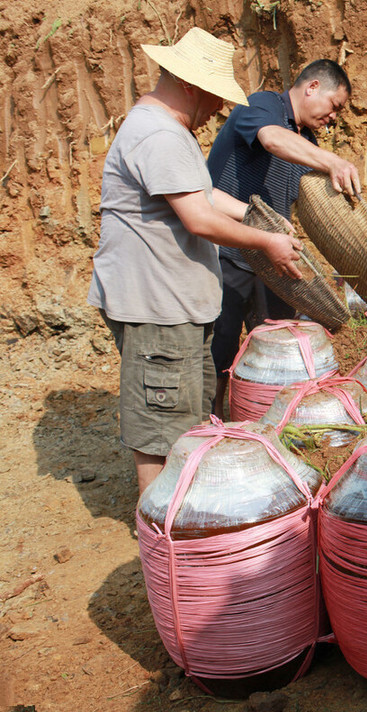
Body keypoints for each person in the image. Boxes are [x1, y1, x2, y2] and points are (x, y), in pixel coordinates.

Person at [87, 27, 303, 494]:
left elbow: (204, 195)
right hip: (156, 308)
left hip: (172, 306)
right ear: (189, 86)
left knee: (182, 420)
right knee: (163, 436)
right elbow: (198, 218)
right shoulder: (158, 135)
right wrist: (266, 243)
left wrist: (258, 219)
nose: (218, 111)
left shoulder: (166, 129)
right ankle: (163, 538)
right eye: (213, 98)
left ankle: (178, 519)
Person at [207, 59, 361, 418]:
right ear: (311, 88)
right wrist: (333, 161)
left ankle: (268, 428)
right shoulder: (263, 105)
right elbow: (272, 140)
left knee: (280, 356)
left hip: (273, 263)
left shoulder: (305, 140)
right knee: (219, 352)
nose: (335, 117)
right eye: (334, 106)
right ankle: (213, 424)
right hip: (228, 255)